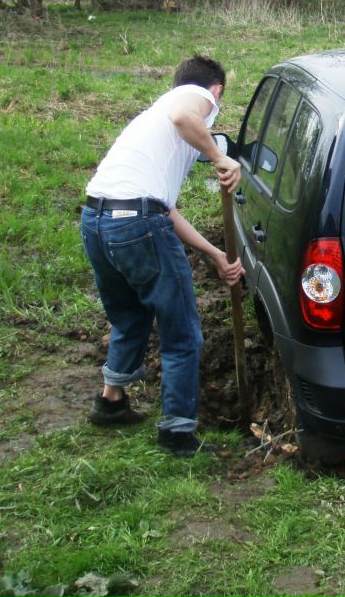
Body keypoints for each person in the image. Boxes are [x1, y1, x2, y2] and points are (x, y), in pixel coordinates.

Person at [80, 54, 244, 457]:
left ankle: (110, 402)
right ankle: (177, 434)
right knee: (182, 332)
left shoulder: (152, 127)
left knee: (131, 316)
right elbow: (187, 120)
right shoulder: (194, 98)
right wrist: (223, 158)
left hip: (97, 221)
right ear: (216, 91)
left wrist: (215, 254)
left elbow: (163, 209)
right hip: (137, 223)